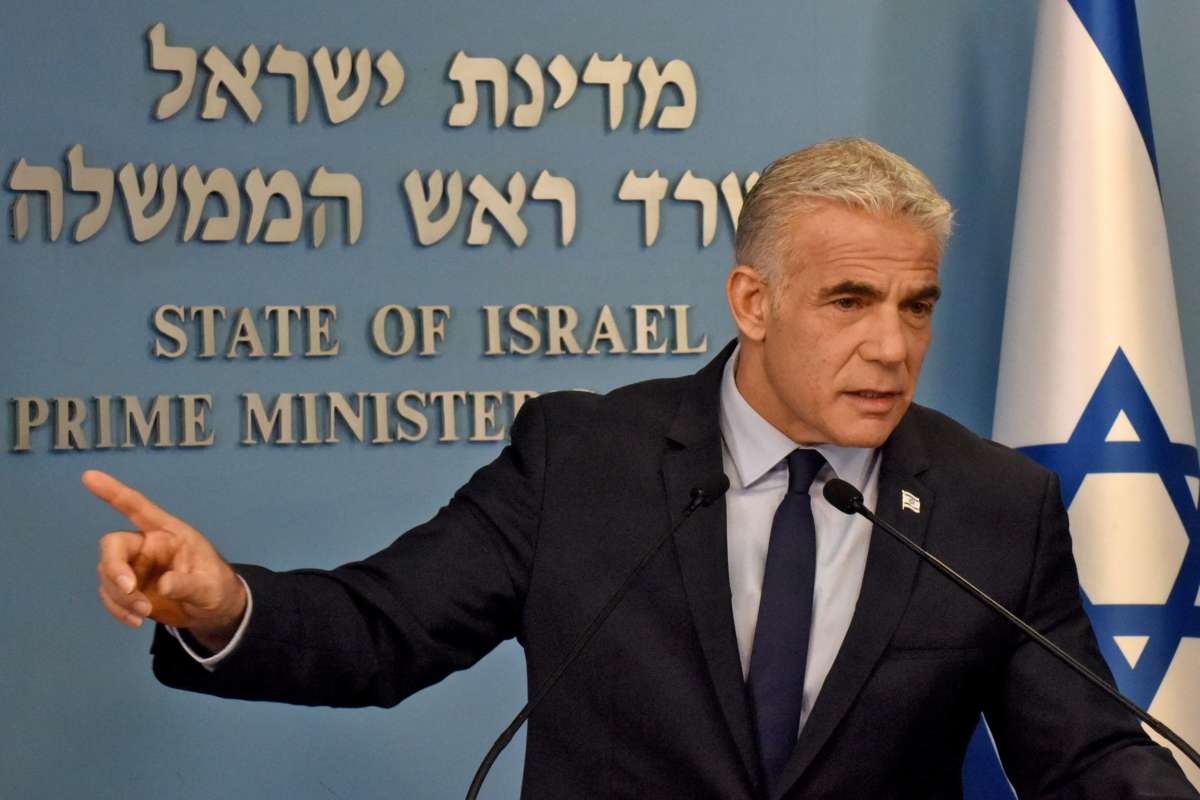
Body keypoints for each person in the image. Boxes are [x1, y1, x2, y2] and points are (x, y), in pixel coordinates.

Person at [90, 138, 1197, 799]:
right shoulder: (585, 460)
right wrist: (223, 601)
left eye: (917, 305)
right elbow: (382, 629)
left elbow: (1090, 755)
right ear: (752, 302)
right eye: (850, 301)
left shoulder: (994, 501)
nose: (895, 345)